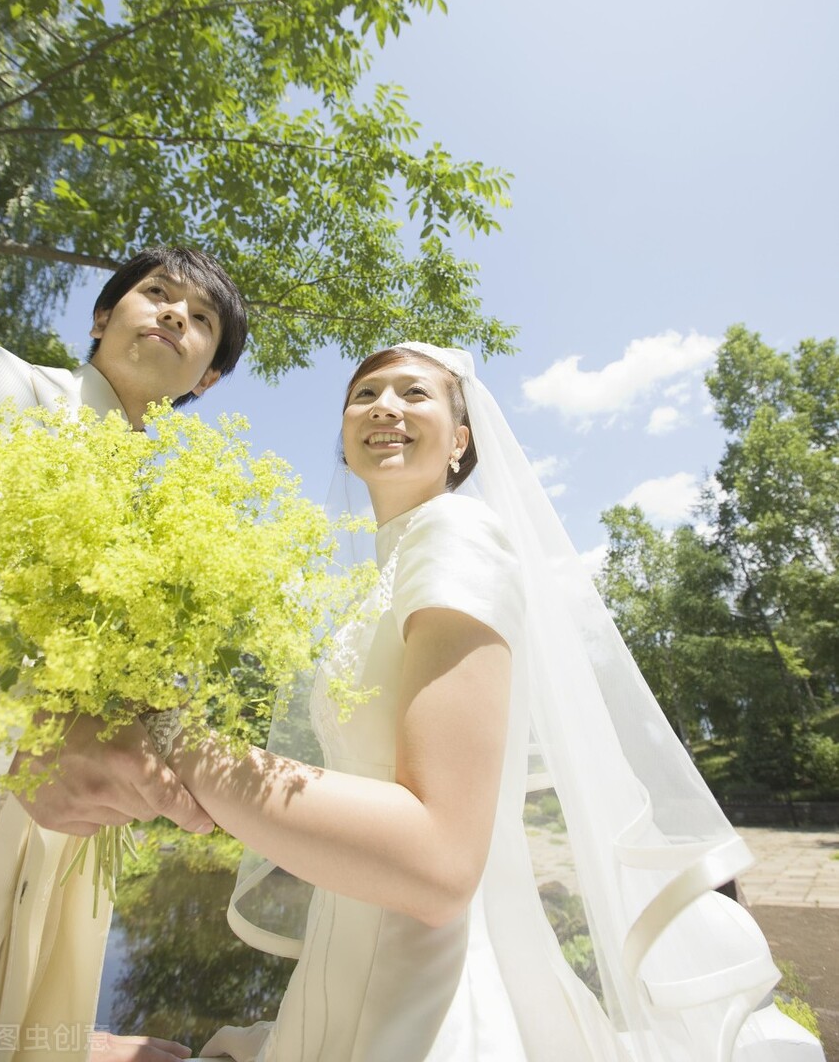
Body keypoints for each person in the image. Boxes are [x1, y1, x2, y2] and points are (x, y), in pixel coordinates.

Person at [165, 343, 823, 1062]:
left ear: (461, 439)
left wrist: (180, 746)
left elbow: (440, 858)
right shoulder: (389, 575)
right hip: (350, 961)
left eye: (413, 394)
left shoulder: (454, 536)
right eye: (364, 394)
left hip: (430, 988)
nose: (384, 405)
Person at [0, 245, 249, 1062]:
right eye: (156, 295)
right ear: (102, 321)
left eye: (201, 318)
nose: (175, 314)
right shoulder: (12, 390)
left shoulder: (167, 518)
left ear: (206, 379)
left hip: (53, 832)